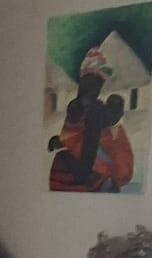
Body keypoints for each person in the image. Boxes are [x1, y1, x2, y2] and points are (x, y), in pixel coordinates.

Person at [48, 48, 135, 192]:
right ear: (83, 81)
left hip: (69, 167)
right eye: (94, 80)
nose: (97, 86)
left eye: (99, 82)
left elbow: (75, 137)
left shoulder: (81, 106)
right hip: (80, 172)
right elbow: (82, 142)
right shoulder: (91, 109)